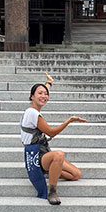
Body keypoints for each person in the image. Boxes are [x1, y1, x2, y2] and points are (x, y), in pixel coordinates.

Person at [20, 74, 85, 205]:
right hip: (36, 154)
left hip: (43, 151)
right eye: (40, 93)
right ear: (32, 96)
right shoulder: (32, 113)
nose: (44, 96)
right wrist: (69, 121)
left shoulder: (34, 110)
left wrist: (49, 82)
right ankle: (52, 191)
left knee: (76, 174)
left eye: (46, 94)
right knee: (59, 154)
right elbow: (51, 133)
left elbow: (44, 90)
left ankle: (52, 170)